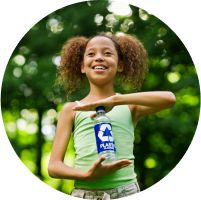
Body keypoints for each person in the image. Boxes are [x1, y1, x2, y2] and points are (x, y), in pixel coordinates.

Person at [48, 33, 176, 199]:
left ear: (120, 65)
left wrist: (116, 100)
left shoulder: (129, 106)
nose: (99, 58)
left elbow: (169, 99)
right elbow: (53, 166)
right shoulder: (72, 109)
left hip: (126, 191)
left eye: (107, 53)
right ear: (82, 66)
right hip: (84, 193)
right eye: (91, 54)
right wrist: (87, 175)